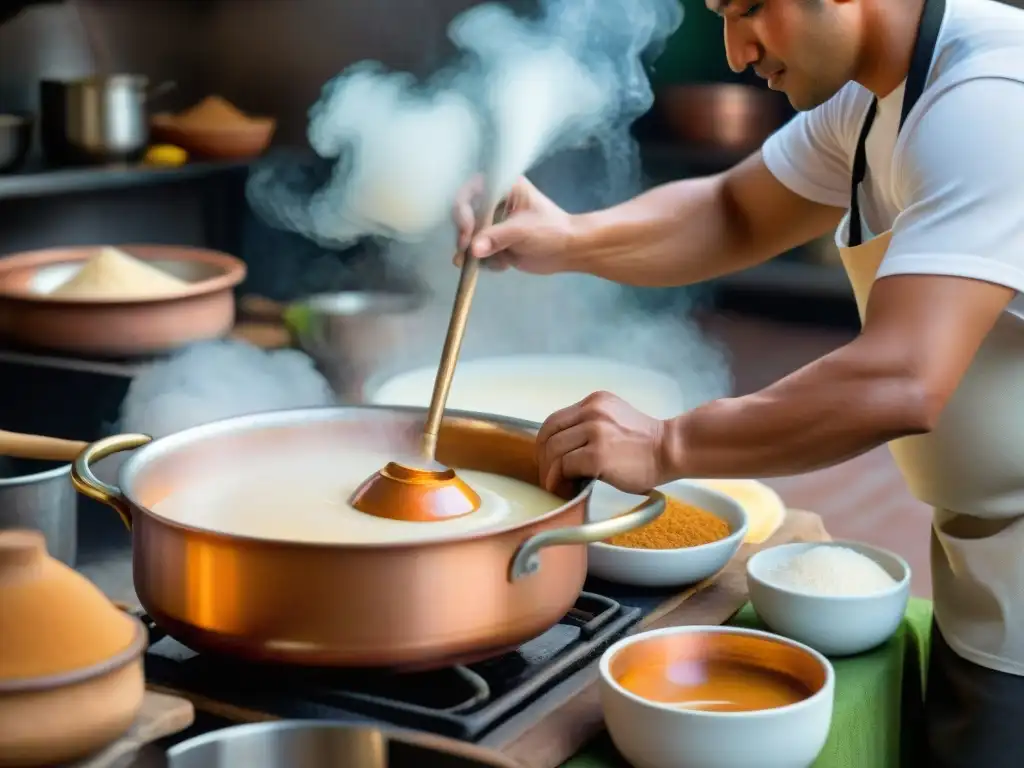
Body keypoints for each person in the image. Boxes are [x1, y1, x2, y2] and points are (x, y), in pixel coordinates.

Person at [453, 0, 1024, 763]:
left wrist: (666, 444)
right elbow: (733, 211)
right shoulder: (874, 97)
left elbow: (902, 377)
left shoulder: (989, 95)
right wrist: (567, 238)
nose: (735, 50)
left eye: (751, 7)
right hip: (985, 571)